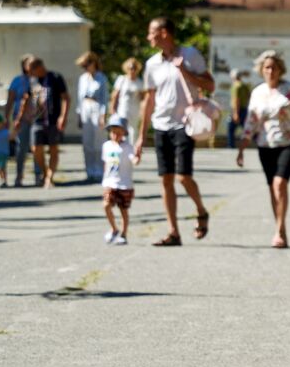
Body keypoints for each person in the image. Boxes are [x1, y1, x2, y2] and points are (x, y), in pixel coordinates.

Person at [134, 17, 214, 246]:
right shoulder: (151, 64)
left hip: (184, 125)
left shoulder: (190, 55)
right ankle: (173, 232)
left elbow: (210, 85)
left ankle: (201, 210)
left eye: (152, 32)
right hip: (161, 126)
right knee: (166, 180)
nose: (149, 37)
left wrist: (185, 72)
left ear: (165, 33)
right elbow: (149, 100)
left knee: (183, 177)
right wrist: (141, 135)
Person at [235, 50, 290, 248]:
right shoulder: (257, 93)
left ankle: (280, 230)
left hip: (289, 143)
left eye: (274, 67)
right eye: (267, 67)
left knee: (279, 183)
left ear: (281, 70)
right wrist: (241, 148)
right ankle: (278, 225)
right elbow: (251, 122)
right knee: (271, 188)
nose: (271, 71)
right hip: (265, 145)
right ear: (261, 70)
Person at [27, 57, 69, 188]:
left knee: (53, 149)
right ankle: (45, 173)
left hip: (53, 119)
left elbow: (66, 98)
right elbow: (28, 99)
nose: (29, 74)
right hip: (37, 120)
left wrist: (63, 116)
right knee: (35, 148)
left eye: (30, 71)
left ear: (38, 67)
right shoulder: (33, 82)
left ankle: (49, 177)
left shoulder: (55, 77)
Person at [101, 115, 135, 246]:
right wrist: (104, 180)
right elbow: (106, 164)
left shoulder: (127, 147)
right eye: (113, 132)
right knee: (106, 205)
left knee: (123, 210)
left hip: (124, 184)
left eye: (118, 132)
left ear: (124, 133)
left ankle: (124, 234)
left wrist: (137, 156)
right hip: (110, 183)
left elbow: (134, 160)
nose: (115, 135)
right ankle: (114, 228)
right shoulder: (106, 146)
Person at [76, 51, 109, 182]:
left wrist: (103, 115)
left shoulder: (101, 78)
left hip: (96, 108)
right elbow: (79, 98)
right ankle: (89, 171)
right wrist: (78, 115)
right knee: (87, 143)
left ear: (93, 63)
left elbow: (104, 98)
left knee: (98, 142)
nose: (85, 68)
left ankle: (99, 171)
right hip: (85, 109)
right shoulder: (83, 78)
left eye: (86, 65)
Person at [5, 54, 35, 186]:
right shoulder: (17, 81)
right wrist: (7, 117)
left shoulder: (39, 80)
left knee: (36, 148)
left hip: (36, 118)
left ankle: (39, 175)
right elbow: (10, 100)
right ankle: (19, 175)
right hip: (20, 118)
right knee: (21, 148)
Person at [111, 57, 143, 139]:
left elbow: (143, 98)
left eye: (134, 68)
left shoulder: (139, 82)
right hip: (123, 109)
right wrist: (113, 109)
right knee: (123, 128)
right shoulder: (122, 79)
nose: (132, 70)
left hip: (135, 109)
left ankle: (132, 149)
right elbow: (115, 95)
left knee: (133, 130)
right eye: (130, 68)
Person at [227, 69, 250, 148]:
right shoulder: (244, 86)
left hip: (237, 109)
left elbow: (236, 100)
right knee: (245, 128)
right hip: (244, 109)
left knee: (230, 128)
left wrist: (236, 113)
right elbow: (248, 97)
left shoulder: (235, 86)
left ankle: (231, 146)